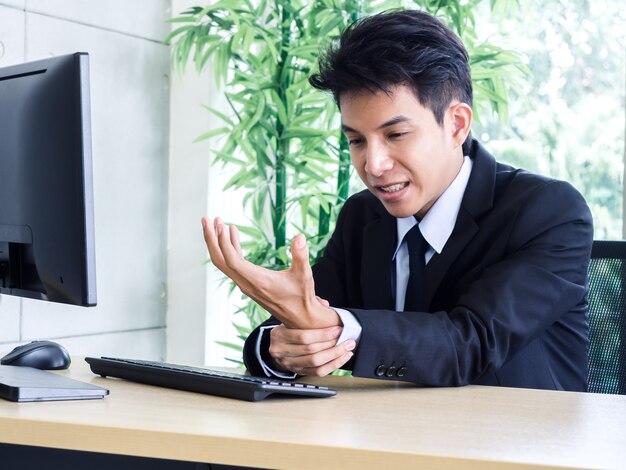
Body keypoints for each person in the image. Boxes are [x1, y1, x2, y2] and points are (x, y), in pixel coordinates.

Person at [202, 9, 593, 391]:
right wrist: (278, 349)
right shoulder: (363, 216)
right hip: (386, 443)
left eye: (396, 135)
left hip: (515, 446)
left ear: (456, 124)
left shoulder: (549, 212)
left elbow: (470, 342)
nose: (373, 164)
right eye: (356, 140)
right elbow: (301, 320)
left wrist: (336, 330)